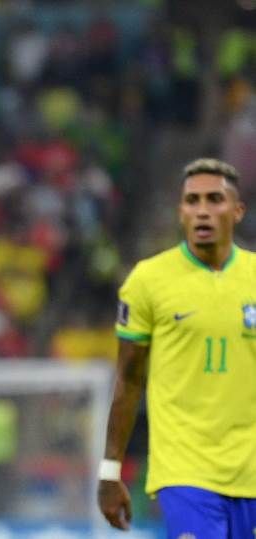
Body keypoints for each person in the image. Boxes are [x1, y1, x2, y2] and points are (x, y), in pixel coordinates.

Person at [98, 158, 256, 536]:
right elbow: (129, 379)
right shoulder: (148, 281)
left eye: (214, 199)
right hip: (184, 471)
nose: (202, 210)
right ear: (180, 211)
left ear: (237, 211)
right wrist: (110, 471)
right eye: (192, 200)